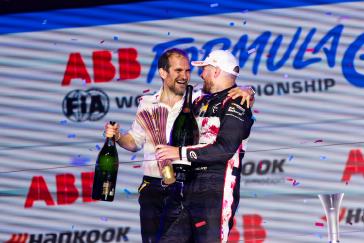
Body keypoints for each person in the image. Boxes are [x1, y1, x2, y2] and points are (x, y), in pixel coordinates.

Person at [105, 48, 254, 243]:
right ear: (163, 73)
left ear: (215, 71)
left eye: (188, 71)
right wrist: (117, 136)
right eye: (178, 71)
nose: (187, 76)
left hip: (192, 185)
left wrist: (248, 90)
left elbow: (225, 145)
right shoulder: (149, 103)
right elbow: (134, 141)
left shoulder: (197, 97)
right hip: (162, 185)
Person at [156, 50, 255, 243]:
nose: (200, 75)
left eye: (205, 70)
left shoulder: (237, 102)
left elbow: (225, 149)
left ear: (216, 72)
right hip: (186, 185)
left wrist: (180, 152)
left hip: (215, 190)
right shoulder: (199, 100)